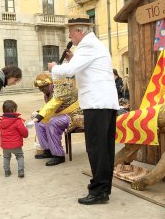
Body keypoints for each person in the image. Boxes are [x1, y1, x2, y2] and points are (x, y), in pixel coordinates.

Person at [48, 15, 119, 205]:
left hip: (96, 103)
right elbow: (84, 68)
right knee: (104, 149)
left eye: (71, 33)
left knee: (96, 149)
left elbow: (68, 72)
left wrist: (55, 67)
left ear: (80, 32)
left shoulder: (87, 46)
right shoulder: (93, 45)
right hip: (103, 103)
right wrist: (72, 60)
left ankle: (98, 191)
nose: (70, 38)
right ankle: (102, 189)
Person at [31, 73, 81, 166]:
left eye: (43, 87)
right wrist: (38, 113)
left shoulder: (61, 89)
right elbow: (49, 108)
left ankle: (59, 155)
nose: (41, 89)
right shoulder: (47, 93)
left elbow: (52, 105)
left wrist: (39, 114)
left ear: (50, 84)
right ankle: (48, 150)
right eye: (39, 87)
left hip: (73, 115)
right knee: (39, 123)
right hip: (60, 115)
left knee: (51, 123)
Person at [0, 100, 28, 178]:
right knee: (19, 156)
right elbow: (24, 132)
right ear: (14, 110)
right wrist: (26, 134)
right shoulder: (17, 121)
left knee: (6, 157)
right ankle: (21, 171)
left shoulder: (1, 121)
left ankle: (7, 172)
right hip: (16, 145)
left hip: (5, 145)